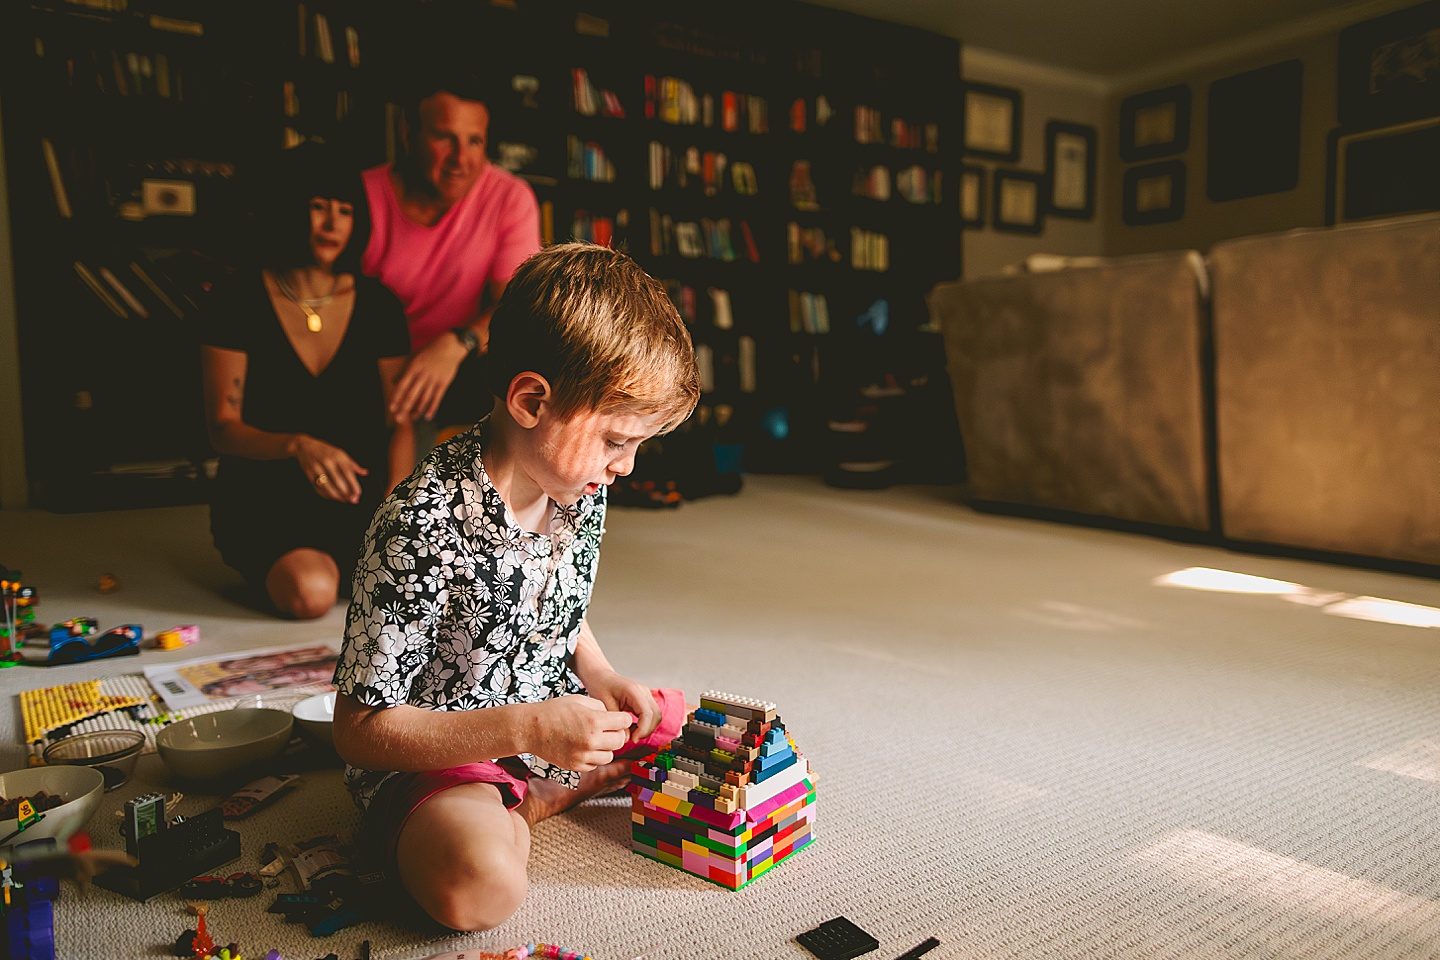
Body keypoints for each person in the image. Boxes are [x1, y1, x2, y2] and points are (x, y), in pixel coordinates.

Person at [331, 243, 700, 932]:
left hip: (537, 719)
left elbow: (557, 608)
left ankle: (540, 781)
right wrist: (528, 728)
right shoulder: (420, 523)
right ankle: (533, 800)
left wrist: (598, 672)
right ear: (532, 400)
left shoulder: (578, 483)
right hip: (441, 753)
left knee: (673, 730)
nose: (626, 468)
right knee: (479, 888)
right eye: (617, 440)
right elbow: (358, 732)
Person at [200, 145, 414, 619]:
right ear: (287, 209)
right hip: (265, 493)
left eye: (345, 211)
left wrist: (396, 507)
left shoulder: (380, 306)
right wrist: (299, 446)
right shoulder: (236, 299)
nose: (332, 224)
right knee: (311, 594)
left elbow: (400, 422)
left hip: (362, 495)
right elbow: (222, 427)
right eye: (318, 208)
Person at [361, 71, 541, 435]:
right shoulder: (361, 196)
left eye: (475, 141)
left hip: (463, 367)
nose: (461, 159)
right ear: (408, 133)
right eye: (445, 138)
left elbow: (515, 308)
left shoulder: (509, 198)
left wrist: (459, 342)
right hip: (369, 369)